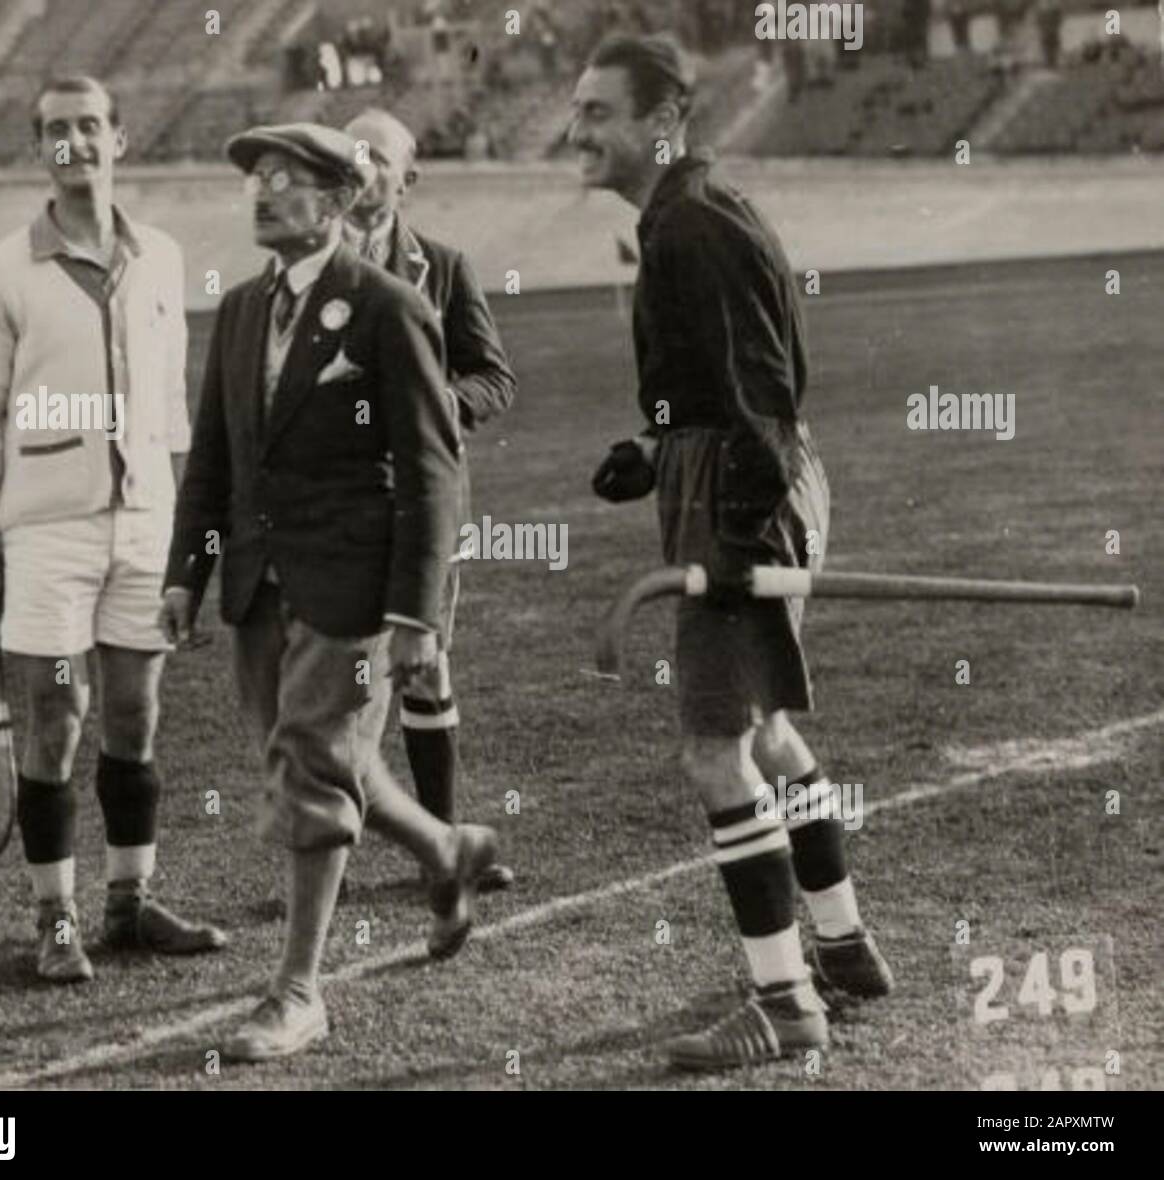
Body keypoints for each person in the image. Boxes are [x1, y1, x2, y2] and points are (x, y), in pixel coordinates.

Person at [569, 35, 892, 1070]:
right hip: (729, 477)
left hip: (746, 495)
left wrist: (743, 536)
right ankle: (840, 945)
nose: (577, 131)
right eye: (576, 111)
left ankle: (785, 1001)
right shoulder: (676, 217)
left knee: (717, 749)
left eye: (596, 114)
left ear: (660, 123)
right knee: (765, 736)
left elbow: (767, 385)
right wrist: (653, 446)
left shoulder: (694, 225)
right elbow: (714, 380)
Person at [159, 123, 497, 1061]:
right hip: (260, 586)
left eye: (287, 179)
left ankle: (298, 991)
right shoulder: (236, 312)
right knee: (309, 755)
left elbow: (434, 472)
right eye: (256, 179)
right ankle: (448, 849)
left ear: (341, 201)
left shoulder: (389, 308)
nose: (263, 193)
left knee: (312, 758)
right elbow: (215, 458)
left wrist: (415, 616)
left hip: (354, 588)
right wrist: (187, 573)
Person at [0, 75, 226, 984]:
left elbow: (174, 404)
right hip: (47, 533)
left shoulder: (162, 257)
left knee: (136, 715)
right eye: (56, 129)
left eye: (90, 125)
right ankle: (54, 918)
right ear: (41, 149)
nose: (75, 141)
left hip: (144, 524)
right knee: (59, 715)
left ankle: (130, 903)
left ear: (120, 138)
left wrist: (183, 529)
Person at [343, 106, 517, 893]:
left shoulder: (443, 268)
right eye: (349, 154)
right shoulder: (308, 270)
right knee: (336, 678)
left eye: (377, 156)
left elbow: (493, 377)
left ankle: (443, 848)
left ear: (407, 177)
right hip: (336, 507)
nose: (360, 168)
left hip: (422, 504)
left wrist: (431, 406)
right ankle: (331, 847)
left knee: (425, 667)